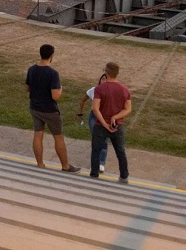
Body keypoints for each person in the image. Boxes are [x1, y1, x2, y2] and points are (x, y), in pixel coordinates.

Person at [25, 44, 80, 172]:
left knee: (38, 134)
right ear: (51, 56)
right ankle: (65, 166)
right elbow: (55, 96)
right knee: (58, 137)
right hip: (49, 110)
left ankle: (40, 163)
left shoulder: (31, 69)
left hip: (34, 107)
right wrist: (60, 89)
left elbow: (27, 88)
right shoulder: (53, 73)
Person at [90, 62, 131, 184]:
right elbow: (128, 109)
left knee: (96, 150)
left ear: (106, 73)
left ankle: (94, 173)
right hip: (117, 125)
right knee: (120, 151)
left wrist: (103, 123)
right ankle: (124, 176)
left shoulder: (100, 89)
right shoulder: (124, 90)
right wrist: (116, 117)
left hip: (100, 125)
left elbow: (95, 108)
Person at [78, 74, 109, 173]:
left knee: (104, 140)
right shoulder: (93, 90)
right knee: (96, 138)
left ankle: (101, 163)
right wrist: (80, 113)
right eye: (103, 79)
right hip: (94, 117)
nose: (104, 81)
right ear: (99, 81)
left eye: (106, 79)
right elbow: (83, 100)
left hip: (106, 116)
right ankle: (95, 163)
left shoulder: (111, 92)